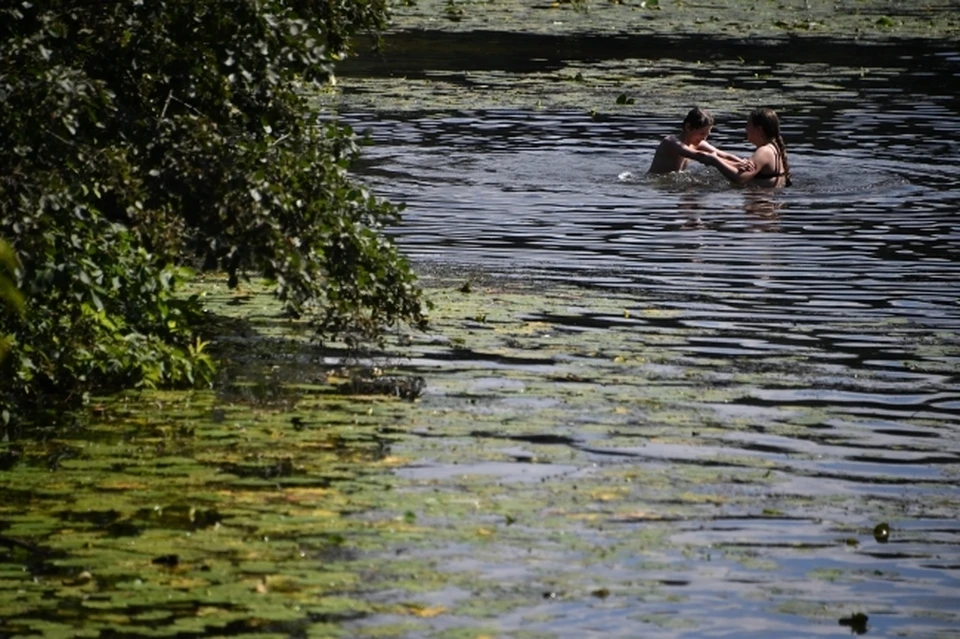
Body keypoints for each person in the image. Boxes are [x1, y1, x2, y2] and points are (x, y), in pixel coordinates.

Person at [703, 107, 792, 187]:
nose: (746, 129)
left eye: (748, 125)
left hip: (761, 203)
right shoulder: (775, 148)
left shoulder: (764, 151)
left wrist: (715, 161)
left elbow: (740, 178)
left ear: (759, 130)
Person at [648, 106, 747, 175]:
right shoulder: (671, 142)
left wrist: (743, 162)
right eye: (702, 134)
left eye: (707, 134)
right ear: (688, 127)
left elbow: (724, 155)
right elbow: (700, 156)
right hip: (659, 187)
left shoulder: (698, 143)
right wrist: (736, 165)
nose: (704, 138)